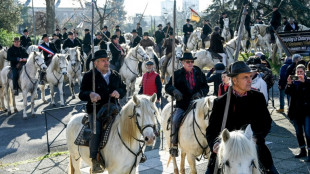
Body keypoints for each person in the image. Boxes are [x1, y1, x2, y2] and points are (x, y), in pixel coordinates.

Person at [205, 61, 279, 174]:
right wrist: (215, 143)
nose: (250, 80)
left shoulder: (258, 98)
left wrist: (256, 138)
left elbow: (266, 123)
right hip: (228, 149)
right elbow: (211, 130)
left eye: (250, 76)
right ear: (234, 80)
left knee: (272, 171)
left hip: (252, 146)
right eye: (245, 77)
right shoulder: (221, 102)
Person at [79, 49, 126, 173]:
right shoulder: (89, 76)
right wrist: (90, 94)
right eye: (103, 61)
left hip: (114, 108)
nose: (106, 63)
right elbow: (81, 94)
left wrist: (119, 92)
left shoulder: (116, 75)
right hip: (96, 109)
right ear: (96, 63)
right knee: (96, 131)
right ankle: (95, 160)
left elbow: (123, 89)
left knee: (129, 123)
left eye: (107, 60)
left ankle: (135, 152)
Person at [165, 52, 209, 157]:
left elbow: (206, 87)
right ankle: (174, 145)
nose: (190, 63)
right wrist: (175, 91)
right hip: (183, 104)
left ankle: (211, 143)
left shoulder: (198, 72)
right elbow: (168, 87)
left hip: (198, 103)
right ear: (183, 62)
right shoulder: (177, 74)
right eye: (188, 62)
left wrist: (200, 93)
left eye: (192, 61)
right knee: (175, 121)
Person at [285, 64, 310, 162]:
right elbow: (288, 92)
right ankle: (302, 150)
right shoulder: (294, 82)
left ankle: (309, 152)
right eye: (298, 72)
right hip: (296, 111)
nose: (299, 74)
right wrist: (289, 84)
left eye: (301, 72)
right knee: (299, 132)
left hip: (307, 111)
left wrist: (305, 83)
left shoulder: (308, 81)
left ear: (305, 73)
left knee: (308, 132)